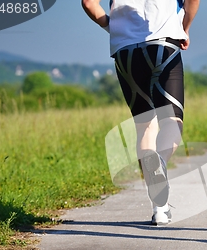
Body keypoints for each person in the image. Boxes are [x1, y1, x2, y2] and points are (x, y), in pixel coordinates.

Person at [82, 0, 200, 225]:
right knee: (172, 122)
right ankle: (161, 162)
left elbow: (88, 3)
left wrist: (113, 26)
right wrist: (184, 28)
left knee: (144, 126)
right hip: (164, 42)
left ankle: (160, 208)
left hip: (125, 50)